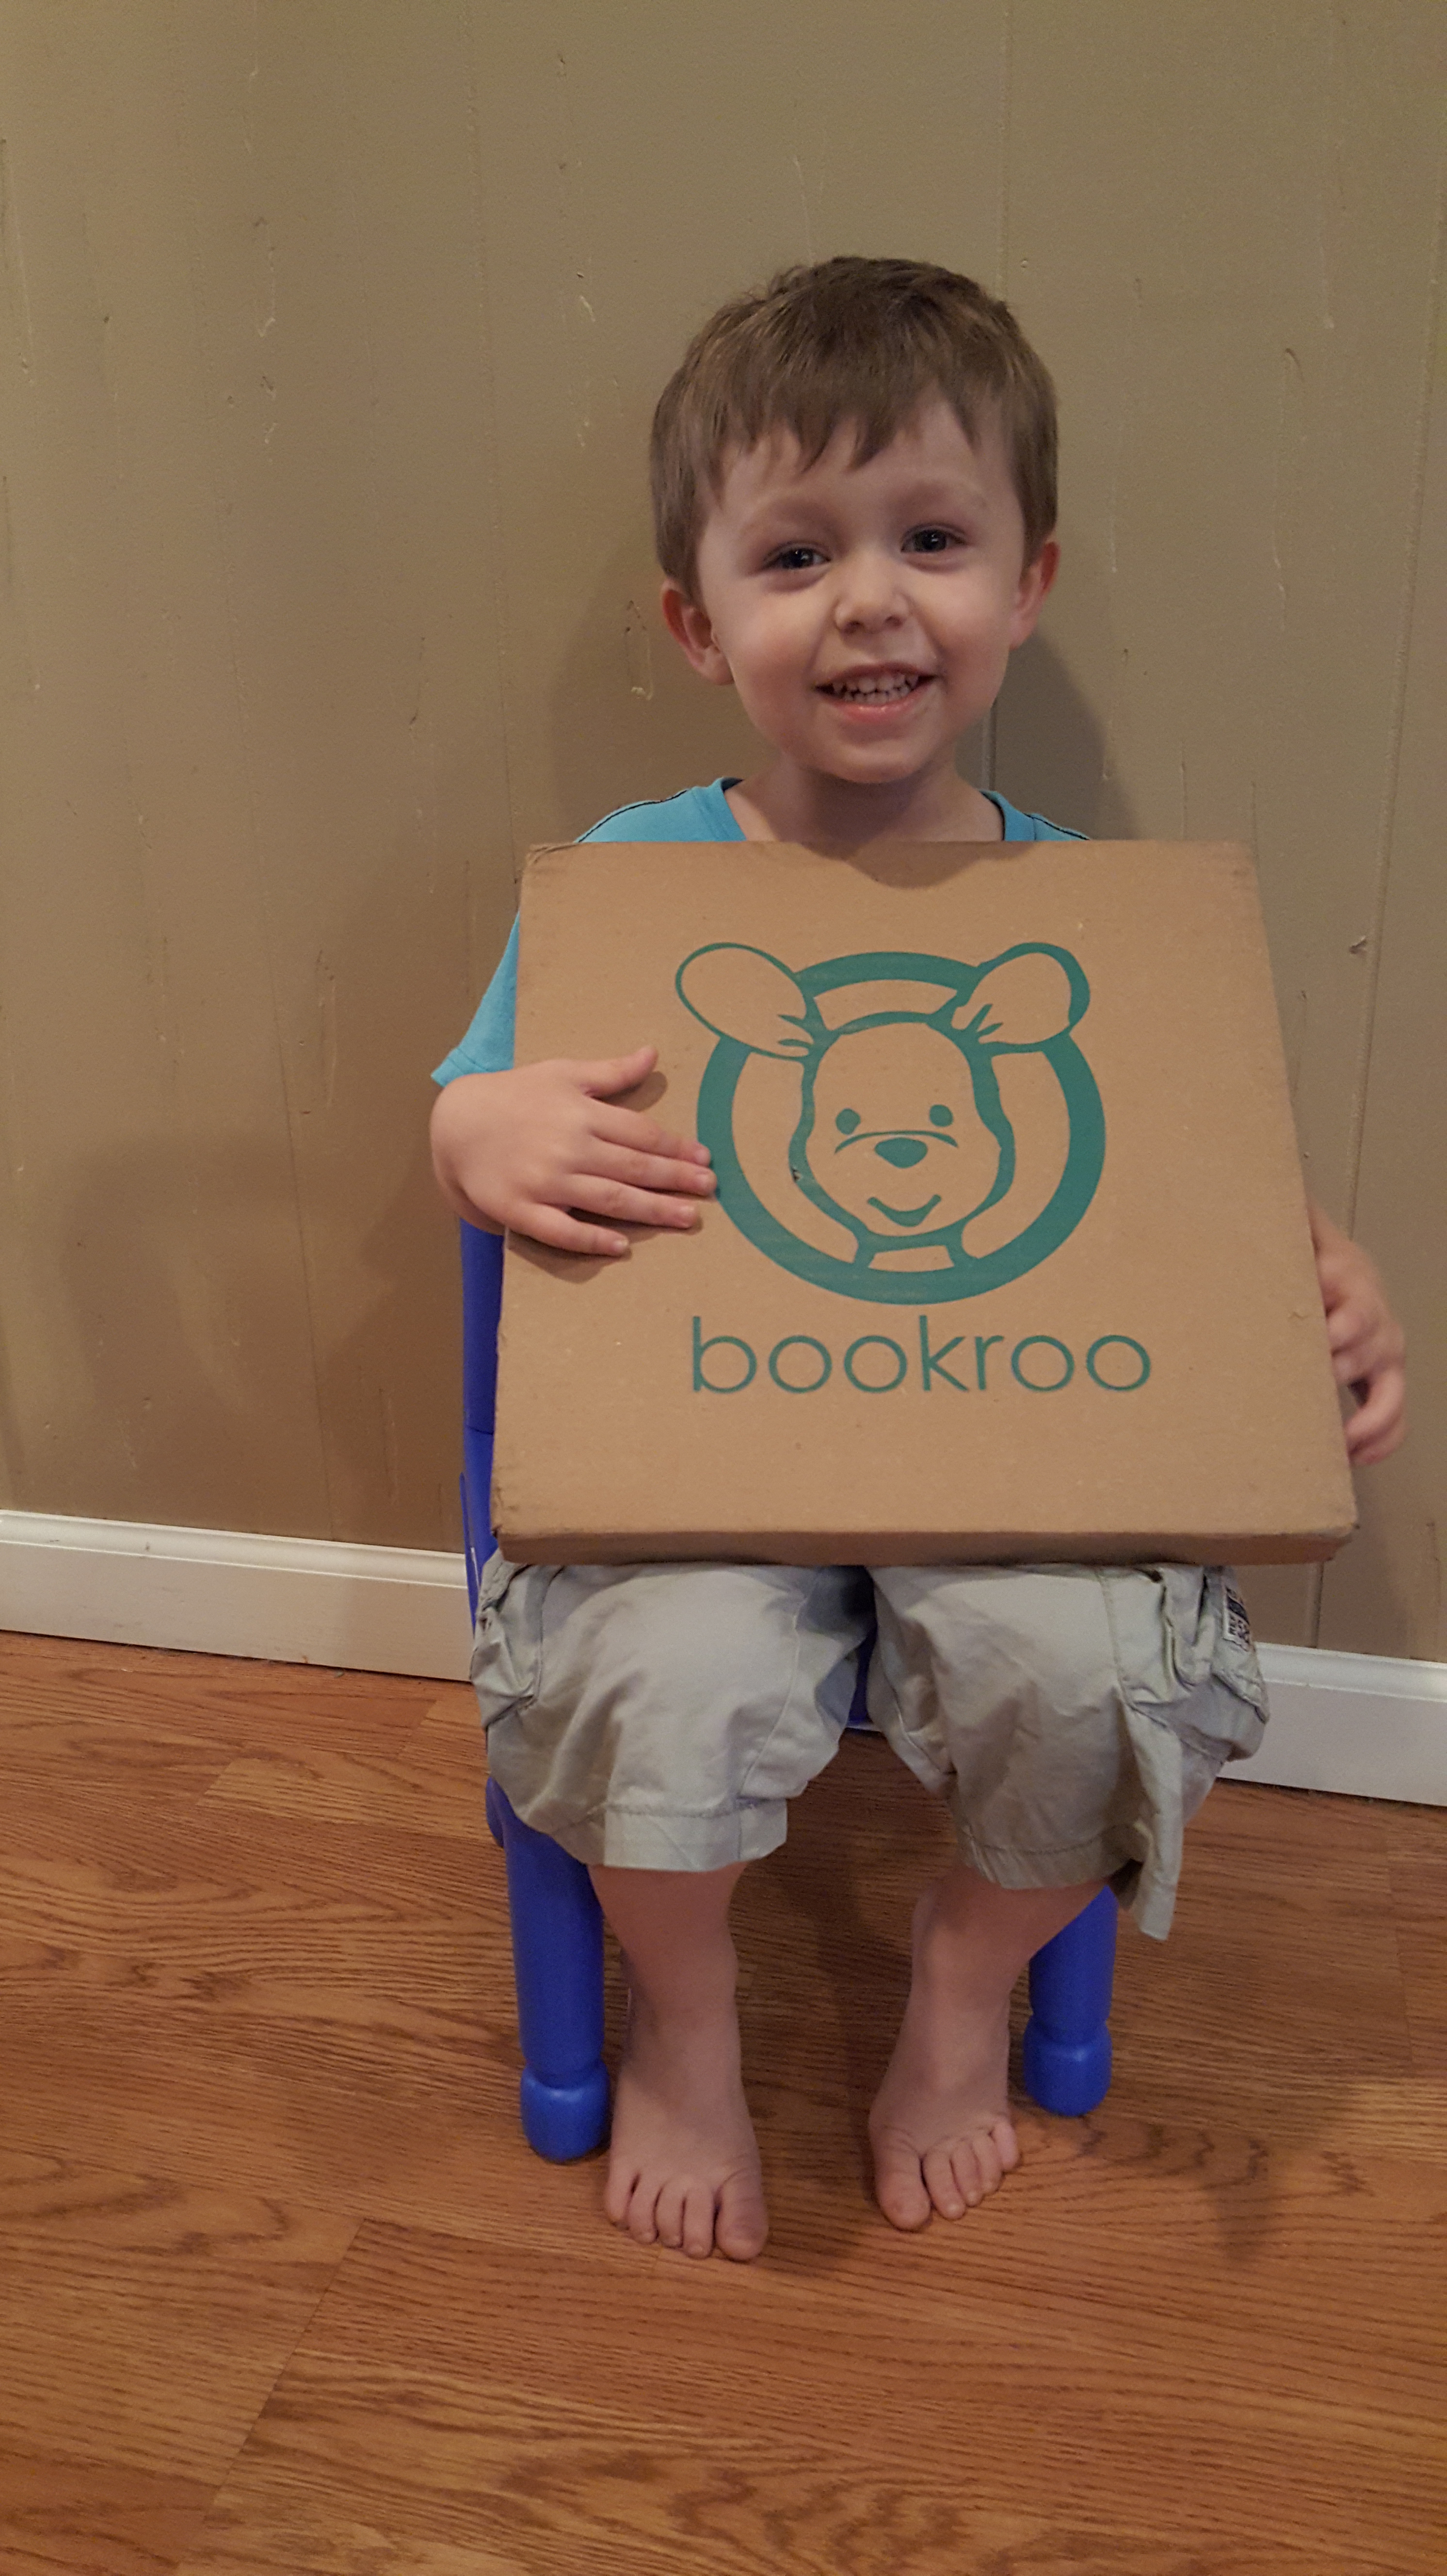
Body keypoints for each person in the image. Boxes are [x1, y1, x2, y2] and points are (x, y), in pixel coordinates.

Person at [430, 258, 1406, 2264]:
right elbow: (471, 1114)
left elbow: (1181, 1199)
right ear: (698, 623)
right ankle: (687, 2015)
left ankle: (963, 1987)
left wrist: (1312, 1289)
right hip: (698, 1471)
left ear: (1024, 584)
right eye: (797, 553)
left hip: (1025, 1464)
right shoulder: (625, 885)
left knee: (1099, 1674)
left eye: (931, 540)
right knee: (656, 1678)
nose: (869, 599)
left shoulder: (1095, 912)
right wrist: (478, 1128)